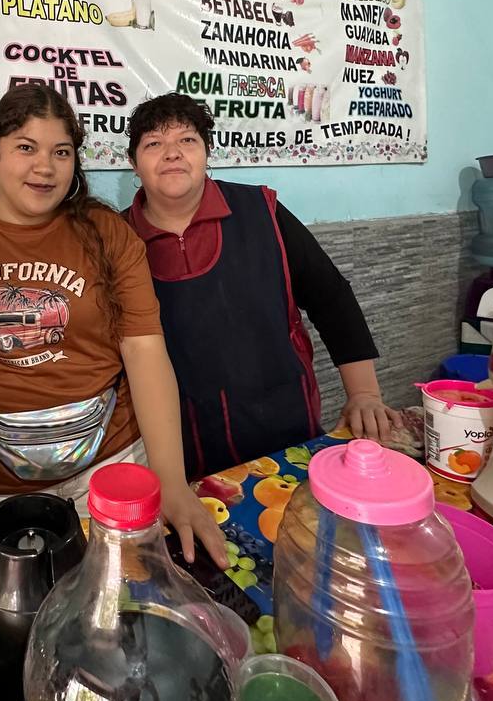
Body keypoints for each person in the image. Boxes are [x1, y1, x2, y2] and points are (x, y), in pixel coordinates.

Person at [0, 84, 227, 566]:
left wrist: (170, 480)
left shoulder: (109, 235)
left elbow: (145, 353)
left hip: (114, 463)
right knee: (23, 617)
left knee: (124, 605)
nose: (44, 167)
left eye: (60, 152)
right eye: (26, 147)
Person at [124, 94, 399, 480]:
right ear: (134, 163)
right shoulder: (119, 239)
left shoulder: (262, 211)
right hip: (178, 446)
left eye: (187, 140)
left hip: (283, 425)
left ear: (207, 152)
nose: (172, 153)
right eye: (154, 143)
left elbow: (331, 298)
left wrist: (365, 394)